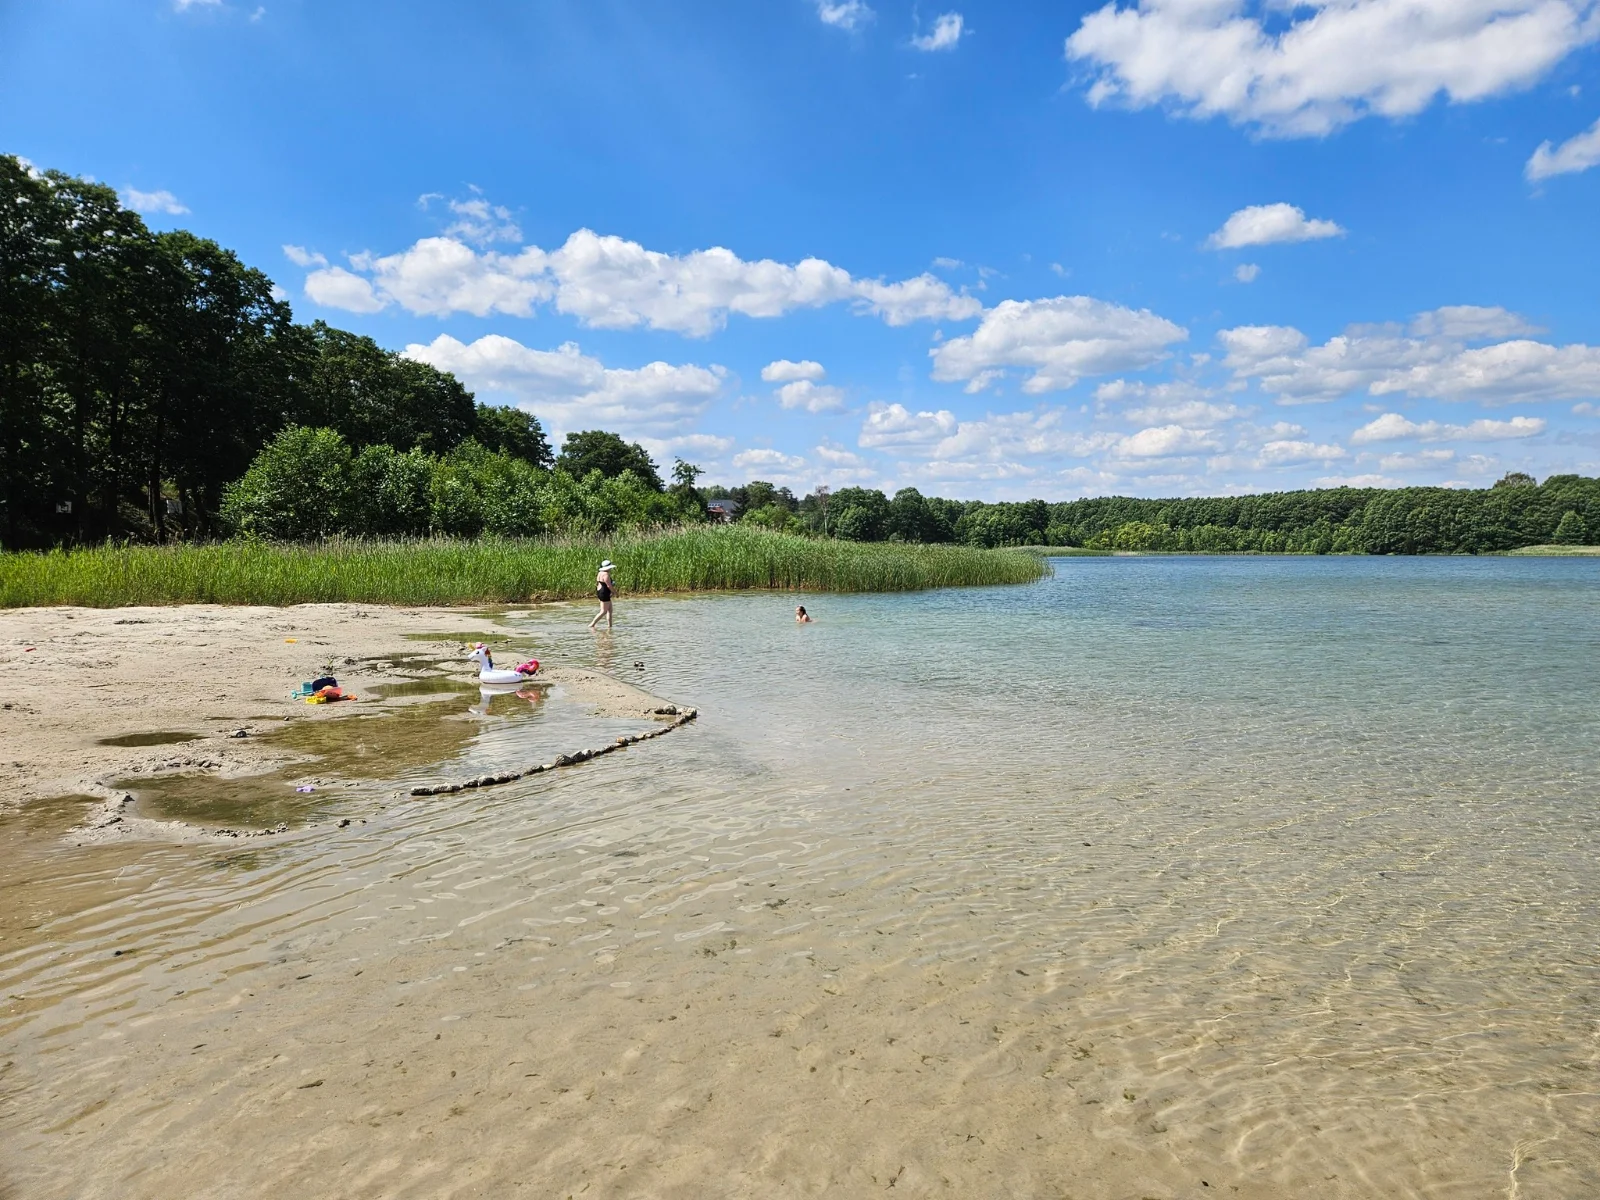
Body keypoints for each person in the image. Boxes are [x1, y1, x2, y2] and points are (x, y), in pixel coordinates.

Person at [589, 559, 615, 630]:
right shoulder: (606, 574)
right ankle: (592, 624)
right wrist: (614, 592)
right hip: (604, 593)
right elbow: (609, 585)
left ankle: (610, 626)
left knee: (610, 610)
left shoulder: (600, 573)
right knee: (603, 611)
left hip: (600, 591)